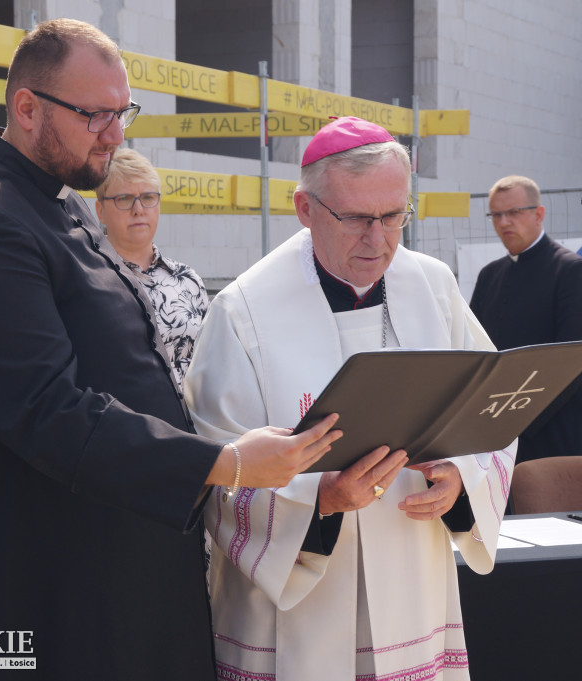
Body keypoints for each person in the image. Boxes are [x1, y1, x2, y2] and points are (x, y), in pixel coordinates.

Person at [0, 18, 341, 680]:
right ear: (27, 107)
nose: (115, 134)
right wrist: (226, 461)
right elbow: (49, 412)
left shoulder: (52, 202)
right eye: (96, 114)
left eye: (124, 113)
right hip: (25, 588)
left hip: (97, 571)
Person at [183, 116, 515, 681]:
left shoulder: (434, 286)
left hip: (414, 582)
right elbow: (214, 468)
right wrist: (319, 502)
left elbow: (492, 411)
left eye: (394, 216)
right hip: (298, 616)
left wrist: (462, 477)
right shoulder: (245, 311)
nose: (379, 238)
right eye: (358, 218)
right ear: (305, 209)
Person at [469, 174, 582, 505]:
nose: (504, 222)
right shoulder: (489, 276)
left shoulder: (570, 270)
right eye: (496, 215)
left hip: (564, 418)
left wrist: (521, 418)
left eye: (514, 212)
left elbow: (572, 358)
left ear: (538, 214)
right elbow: (477, 351)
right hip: (504, 422)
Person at [94, 147, 208, 389]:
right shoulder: (90, 280)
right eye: (124, 199)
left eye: (147, 197)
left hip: (194, 424)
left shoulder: (188, 280)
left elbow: (214, 362)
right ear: (100, 211)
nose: (138, 210)